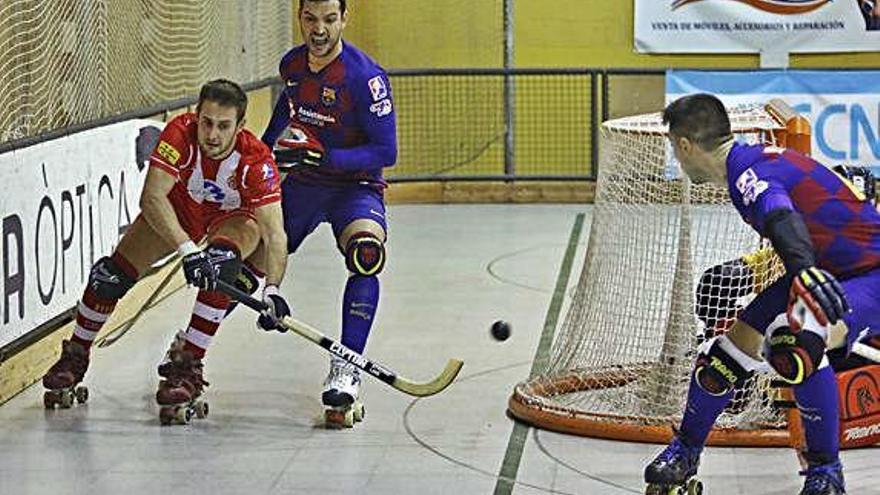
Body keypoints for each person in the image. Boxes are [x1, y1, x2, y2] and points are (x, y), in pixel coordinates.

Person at [644, 93, 880, 495]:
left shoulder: (748, 173)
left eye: (674, 149)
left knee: (797, 346)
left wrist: (804, 272)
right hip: (826, 270)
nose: (677, 161)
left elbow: (779, 214)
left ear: (684, 145)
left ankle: (827, 473)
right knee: (723, 358)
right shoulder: (749, 163)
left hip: (868, 274)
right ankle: (685, 450)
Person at [42, 79, 291, 424]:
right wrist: (187, 250)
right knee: (109, 278)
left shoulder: (256, 161)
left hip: (231, 221)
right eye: (206, 123)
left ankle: (187, 364)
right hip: (181, 213)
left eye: (223, 126)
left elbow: (275, 233)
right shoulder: (179, 134)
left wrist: (273, 291)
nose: (213, 135)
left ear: (241, 126)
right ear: (196, 116)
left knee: (221, 268)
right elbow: (152, 197)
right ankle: (76, 354)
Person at [260, 0, 397, 427]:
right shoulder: (291, 65)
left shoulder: (365, 78)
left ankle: (346, 366)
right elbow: (288, 110)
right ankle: (191, 352)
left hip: (354, 186)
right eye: (310, 19)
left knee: (366, 254)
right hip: (303, 185)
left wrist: (325, 156)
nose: (319, 29)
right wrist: (263, 156)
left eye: (329, 19)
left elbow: (385, 151)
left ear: (344, 18)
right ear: (299, 18)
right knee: (247, 257)